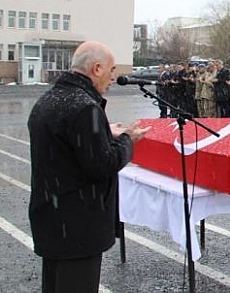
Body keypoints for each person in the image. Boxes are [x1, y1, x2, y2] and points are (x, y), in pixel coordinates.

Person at [27, 41, 151, 293]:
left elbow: (68, 146)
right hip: (78, 226)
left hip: (53, 219)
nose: (114, 77)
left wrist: (105, 132)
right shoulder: (84, 107)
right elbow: (102, 164)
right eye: (111, 69)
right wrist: (127, 139)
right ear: (96, 68)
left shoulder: (50, 98)